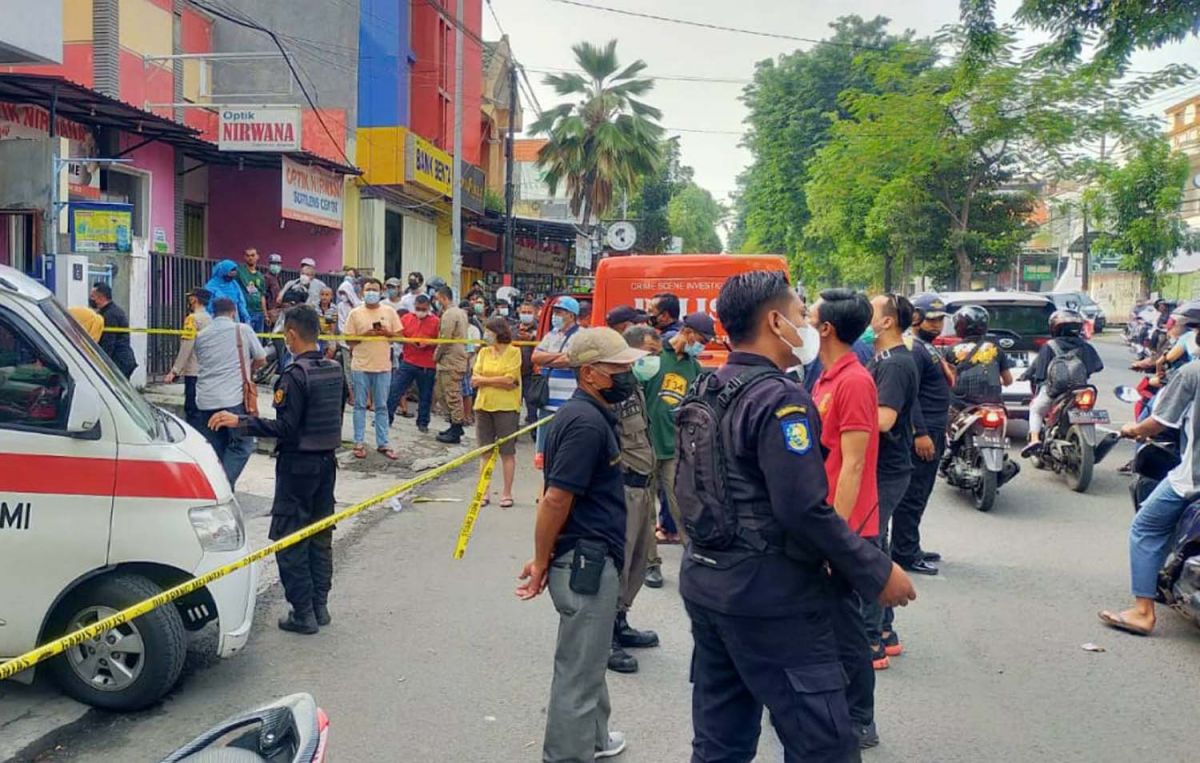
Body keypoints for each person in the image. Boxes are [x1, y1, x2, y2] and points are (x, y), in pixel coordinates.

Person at [679, 271, 916, 762]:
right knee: (823, 743)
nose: (804, 323)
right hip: (771, 598)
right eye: (798, 312)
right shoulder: (779, 399)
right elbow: (802, 507)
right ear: (774, 321)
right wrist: (875, 570)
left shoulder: (707, 386)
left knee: (720, 740)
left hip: (708, 583)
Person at [515, 327, 648, 763]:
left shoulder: (592, 413)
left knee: (588, 660)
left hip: (590, 557)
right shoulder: (585, 422)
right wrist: (539, 560)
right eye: (619, 368)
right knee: (578, 669)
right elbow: (555, 498)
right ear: (590, 374)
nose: (629, 374)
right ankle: (566, 755)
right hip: (585, 563)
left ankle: (594, 736)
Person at [208, 305, 343, 634]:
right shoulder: (335, 370)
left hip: (299, 467)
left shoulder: (294, 376)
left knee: (289, 538)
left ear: (292, 335)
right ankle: (319, 607)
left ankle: (302, 613)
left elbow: (285, 427)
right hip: (327, 464)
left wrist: (240, 421)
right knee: (319, 535)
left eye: (286, 336)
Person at [809, 288, 882, 749]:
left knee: (846, 626)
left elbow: (853, 464)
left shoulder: (854, 382)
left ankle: (861, 718)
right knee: (824, 621)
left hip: (848, 524)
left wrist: (834, 537)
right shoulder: (826, 377)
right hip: (827, 518)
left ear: (826, 328)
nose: (803, 318)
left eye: (809, 313)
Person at [1100, 360, 1200, 636]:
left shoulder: (1191, 372)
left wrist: (1133, 429)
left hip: (1192, 480)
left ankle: (1143, 613)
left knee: (1145, 529)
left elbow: (1159, 422)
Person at [863, 293, 920, 670]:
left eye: (873, 311)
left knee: (867, 547)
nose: (867, 315)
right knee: (876, 544)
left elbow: (884, 420)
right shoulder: (884, 359)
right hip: (884, 468)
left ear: (887, 322)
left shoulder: (896, 364)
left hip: (887, 469)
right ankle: (885, 630)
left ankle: (871, 639)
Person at [609, 325, 664, 674]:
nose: (653, 361)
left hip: (645, 487)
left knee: (639, 561)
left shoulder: (637, 390)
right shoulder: (613, 393)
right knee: (619, 562)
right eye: (648, 353)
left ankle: (621, 621)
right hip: (624, 488)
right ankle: (605, 637)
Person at [891, 293, 954, 576]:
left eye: (941, 319)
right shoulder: (914, 350)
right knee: (913, 494)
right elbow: (910, 395)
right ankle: (904, 553)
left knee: (921, 492)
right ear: (915, 319)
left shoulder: (927, 347)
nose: (938, 324)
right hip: (924, 431)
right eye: (932, 319)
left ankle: (909, 545)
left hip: (936, 428)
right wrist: (920, 433)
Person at [644, 311, 712, 555]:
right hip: (645, 444)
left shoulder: (693, 366)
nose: (702, 347)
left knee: (681, 505)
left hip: (674, 446)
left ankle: (694, 556)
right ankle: (651, 563)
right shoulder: (654, 355)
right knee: (646, 512)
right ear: (688, 332)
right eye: (702, 341)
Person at [195, 297, 266, 487]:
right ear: (233, 312)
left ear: (213, 313)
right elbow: (261, 357)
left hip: (205, 400)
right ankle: (222, 487)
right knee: (243, 445)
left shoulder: (201, 335)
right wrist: (248, 369)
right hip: (233, 400)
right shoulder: (242, 329)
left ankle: (215, 488)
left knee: (216, 449)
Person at [1021, 308, 1105, 459]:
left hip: (1054, 391)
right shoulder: (1085, 346)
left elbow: (1040, 374)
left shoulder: (1049, 346)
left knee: (1036, 409)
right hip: (1081, 389)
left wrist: (1027, 377)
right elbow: (1097, 366)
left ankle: (1034, 440)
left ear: (1055, 327)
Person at [344, 278, 402, 460]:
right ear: (362, 292)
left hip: (383, 367)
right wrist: (364, 335)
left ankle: (383, 443)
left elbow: (400, 337)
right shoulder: (355, 313)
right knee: (360, 405)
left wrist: (387, 333)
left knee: (382, 407)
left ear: (381, 291)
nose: (371, 293)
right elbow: (348, 341)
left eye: (375, 289)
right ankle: (359, 442)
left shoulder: (389, 312)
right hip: (360, 366)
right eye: (368, 289)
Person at [472, 316, 523, 507]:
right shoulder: (484, 352)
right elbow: (474, 377)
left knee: (507, 452)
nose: (486, 335)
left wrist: (485, 380)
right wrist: (496, 380)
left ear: (498, 333)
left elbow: (510, 380)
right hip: (483, 405)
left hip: (506, 407)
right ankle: (484, 492)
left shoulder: (514, 352)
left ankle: (507, 493)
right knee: (485, 451)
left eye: (489, 332)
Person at [531, 297, 583, 464]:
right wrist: (559, 356)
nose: (555, 315)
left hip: (569, 401)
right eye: (555, 312)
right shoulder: (550, 335)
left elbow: (570, 360)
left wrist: (548, 358)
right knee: (544, 450)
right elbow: (535, 357)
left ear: (571, 315)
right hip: (547, 399)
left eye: (559, 312)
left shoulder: (581, 336)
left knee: (566, 447)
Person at [164, 287, 214, 430]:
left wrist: (175, 371)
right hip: (206, 370)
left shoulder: (192, 319)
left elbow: (187, 346)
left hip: (193, 370)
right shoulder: (210, 319)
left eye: (190, 297)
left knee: (192, 409)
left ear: (194, 299)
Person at [389, 294, 440, 433]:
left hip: (427, 365)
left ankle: (423, 423)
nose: (420, 311)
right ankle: (386, 418)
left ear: (428, 307)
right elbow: (398, 337)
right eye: (418, 308)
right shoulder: (406, 319)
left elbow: (441, 341)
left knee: (425, 395)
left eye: (423, 309)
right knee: (395, 390)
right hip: (408, 361)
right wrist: (409, 341)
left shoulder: (436, 322)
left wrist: (428, 343)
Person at [433, 285, 470, 444]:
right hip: (455, 358)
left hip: (450, 360)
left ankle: (456, 426)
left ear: (443, 297)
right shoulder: (461, 313)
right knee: (442, 392)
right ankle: (453, 423)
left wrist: (436, 355)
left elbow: (445, 339)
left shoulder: (449, 314)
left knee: (451, 394)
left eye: (437, 298)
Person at [90, 282, 137, 379]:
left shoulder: (110, 315)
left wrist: (101, 364)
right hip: (120, 360)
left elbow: (108, 343)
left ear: (101, 297)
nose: (91, 299)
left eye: (93, 296)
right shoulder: (108, 311)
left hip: (119, 362)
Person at [517, 300, 541, 432]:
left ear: (535, 313)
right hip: (515, 374)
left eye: (529, 312)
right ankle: (512, 432)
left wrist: (532, 338)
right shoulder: (514, 329)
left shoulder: (540, 329)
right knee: (514, 406)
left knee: (532, 405)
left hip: (532, 374)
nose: (526, 315)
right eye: (523, 312)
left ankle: (534, 432)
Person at [204, 259, 252, 324]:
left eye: (235, 271)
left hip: (233, 314)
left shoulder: (234, 284)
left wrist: (245, 315)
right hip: (217, 315)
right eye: (231, 271)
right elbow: (207, 303)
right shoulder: (211, 285)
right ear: (223, 271)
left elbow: (240, 300)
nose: (233, 273)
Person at [236, 248, 269, 333]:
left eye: (253, 255)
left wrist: (265, 315)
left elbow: (262, 295)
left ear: (257, 257)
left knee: (258, 340)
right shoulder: (239, 272)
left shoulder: (260, 276)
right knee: (246, 338)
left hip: (259, 313)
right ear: (244, 257)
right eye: (248, 255)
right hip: (245, 311)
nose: (250, 258)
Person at [263, 253, 285, 328]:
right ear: (269, 264)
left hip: (278, 311)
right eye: (273, 263)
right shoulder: (266, 278)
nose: (276, 265)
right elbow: (263, 296)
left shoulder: (278, 278)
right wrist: (266, 314)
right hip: (270, 312)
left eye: (278, 263)